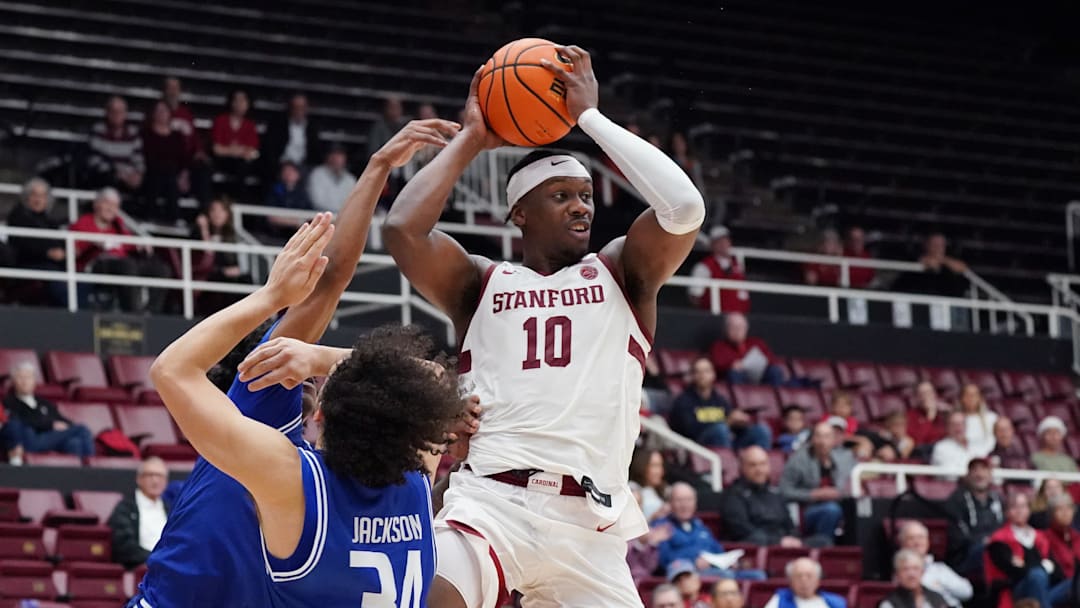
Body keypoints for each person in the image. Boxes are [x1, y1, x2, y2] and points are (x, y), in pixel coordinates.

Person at [384, 46, 706, 607]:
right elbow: (403, 231)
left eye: (585, 196)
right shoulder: (481, 283)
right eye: (561, 197)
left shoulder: (621, 272)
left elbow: (684, 208)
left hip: (590, 527)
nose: (581, 207)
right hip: (490, 503)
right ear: (520, 215)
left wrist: (590, 118)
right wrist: (471, 140)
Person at [132, 119, 458, 608]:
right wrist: (375, 169)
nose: (300, 375)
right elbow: (328, 288)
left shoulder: (301, 467)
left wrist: (376, 170)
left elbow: (326, 286)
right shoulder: (262, 404)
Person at [70, 188, 172, 313]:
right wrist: (94, 243)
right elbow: (74, 251)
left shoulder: (118, 225)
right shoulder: (83, 223)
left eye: (115, 205)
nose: (110, 208)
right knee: (127, 265)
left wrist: (140, 246)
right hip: (96, 264)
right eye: (107, 203)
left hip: (123, 264)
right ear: (96, 204)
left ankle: (151, 311)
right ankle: (134, 311)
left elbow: (129, 245)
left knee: (161, 269)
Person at [656, 483, 765, 580]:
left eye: (689, 500)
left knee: (758, 575)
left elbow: (718, 551)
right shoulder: (662, 526)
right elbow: (662, 559)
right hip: (688, 575)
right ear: (670, 503)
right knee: (726, 577)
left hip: (716, 570)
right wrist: (693, 561)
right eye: (679, 500)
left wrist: (731, 563)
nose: (685, 505)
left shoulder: (701, 526)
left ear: (695, 503)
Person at [985, 491, 1071, 608]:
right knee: (1037, 575)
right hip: (1015, 593)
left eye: (1024, 506)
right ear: (1007, 512)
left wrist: (1026, 565)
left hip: (1046, 590)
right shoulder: (999, 539)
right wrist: (1043, 566)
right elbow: (1014, 572)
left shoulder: (1040, 537)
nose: (1020, 511)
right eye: (1015, 507)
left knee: (1074, 582)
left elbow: (1058, 573)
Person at [669, 357, 771, 449]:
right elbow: (691, 430)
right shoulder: (683, 401)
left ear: (713, 374)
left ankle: (757, 463)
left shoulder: (720, 400)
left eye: (706, 371)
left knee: (761, 431)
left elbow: (731, 422)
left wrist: (740, 422)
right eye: (698, 372)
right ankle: (727, 465)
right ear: (693, 376)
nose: (702, 375)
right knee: (720, 430)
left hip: (726, 441)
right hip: (699, 445)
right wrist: (727, 422)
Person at [780, 422, 853, 546]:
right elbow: (783, 491)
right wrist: (814, 494)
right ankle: (824, 550)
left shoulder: (844, 457)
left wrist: (840, 493)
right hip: (807, 510)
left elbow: (852, 482)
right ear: (812, 439)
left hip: (840, 505)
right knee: (831, 510)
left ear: (834, 440)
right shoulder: (798, 460)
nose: (822, 441)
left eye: (827, 436)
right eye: (818, 436)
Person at [720, 446, 808, 547]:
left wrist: (794, 539)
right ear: (742, 468)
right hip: (756, 547)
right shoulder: (733, 495)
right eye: (753, 465)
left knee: (821, 541)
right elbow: (741, 530)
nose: (759, 470)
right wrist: (777, 541)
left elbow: (789, 525)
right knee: (758, 538)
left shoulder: (775, 494)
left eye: (763, 464)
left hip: (783, 544)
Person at [3, 362, 93, 458]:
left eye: (28, 378)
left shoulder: (44, 402)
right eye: (21, 378)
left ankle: (76, 472)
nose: (25, 382)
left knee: (74, 443)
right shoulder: (9, 402)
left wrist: (67, 426)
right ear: (13, 382)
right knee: (82, 429)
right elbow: (18, 422)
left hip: (52, 438)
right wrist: (50, 425)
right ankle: (94, 469)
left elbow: (60, 418)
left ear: (34, 381)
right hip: (33, 440)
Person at [6, 177, 67, 307]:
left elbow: (59, 243)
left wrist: (63, 253)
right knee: (58, 280)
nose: (38, 199)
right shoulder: (18, 216)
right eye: (34, 195)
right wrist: (47, 253)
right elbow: (22, 244)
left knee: (77, 279)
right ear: (27, 197)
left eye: (43, 195)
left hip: (52, 267)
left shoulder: (50, 221)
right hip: (27, 265)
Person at [944, 457, 1005, 575]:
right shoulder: (957, 500)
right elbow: (959, 536)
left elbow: (1005, 527)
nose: (979, 474)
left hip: (998, 550)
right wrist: (984, 541)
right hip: (965, 556)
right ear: (968, 475)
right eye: (974, 470)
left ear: (990, 474)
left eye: (984, 469)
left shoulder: (998, 499)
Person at [108, 456, 170, 568]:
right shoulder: (125, 508)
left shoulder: (171, 509)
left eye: (160, 476)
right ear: (139, 479)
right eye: (150, 475)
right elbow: (124, 546)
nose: (155, 480)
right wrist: (156, 559)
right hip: (140, 567)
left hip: (168, 566)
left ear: (166, 481)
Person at [896, 521, 972, 607]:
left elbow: (967, 592)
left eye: (921, 537)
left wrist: (941, 581)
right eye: (912, 538)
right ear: (902, 543)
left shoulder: (940, 568)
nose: (917, 542)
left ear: (928, 542)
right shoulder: (901, 570)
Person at [191, 199, 246, 315]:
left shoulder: (230, 236)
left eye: (221, 210)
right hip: (207, 274)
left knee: (246, 279)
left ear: (227, 214)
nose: (217, 214)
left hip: (225, 276)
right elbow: (207, 256)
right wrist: (204, 229)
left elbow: (233, 263)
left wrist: (235, 270)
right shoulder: (199, 234)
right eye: (213, 210)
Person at [141, 100, 188, 223]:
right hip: (151, 173)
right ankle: (150, 215)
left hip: (173, 175)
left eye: (164, 111)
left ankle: (175, 217)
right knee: (160, 175)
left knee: (171, 177)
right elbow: (145, 157)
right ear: (153, 114)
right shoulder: (146, 134)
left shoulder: (177, 136)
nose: (161, 114)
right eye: (158, 111)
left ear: (169, 114)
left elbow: (183, 159)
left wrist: (183, 175)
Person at [709, 312, 785, 386]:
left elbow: (771, 359)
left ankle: (776, 397)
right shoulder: (719, 346)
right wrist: (732, 365)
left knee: (775, 371)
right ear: (726, 329)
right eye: (734, 327)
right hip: (736, 376)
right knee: (734, 374)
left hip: (758, 376)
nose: (738, 331)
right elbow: (717, 364)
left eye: (741, 327)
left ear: (746, 328)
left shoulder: (757, 343)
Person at [87, 95, 144, 193]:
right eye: (113, 111)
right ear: (107, 113)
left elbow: (139, 160)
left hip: (128, 175)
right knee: (109, 178)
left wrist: (138, 174)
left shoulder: (133, 133)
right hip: (106, 175)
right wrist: (116, 172)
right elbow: (94, 161)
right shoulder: (99, 130)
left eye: (120, 111)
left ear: (125, 114)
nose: (117, 115)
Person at [688, 226, 750, 313]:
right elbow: (695, 296)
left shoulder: (737, 264)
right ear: (712, 244)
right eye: (719, 241)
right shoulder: (704, 266)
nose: (724, 244)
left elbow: (743, 293)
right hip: (716, 318)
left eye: (726, 240)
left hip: (740, 316)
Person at [211, 89, 260, 195]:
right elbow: (217, 149)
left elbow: (252, 152)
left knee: (244, 166)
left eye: (243, 101)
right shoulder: (221, 120)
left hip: (240, 165)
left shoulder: (249, 125)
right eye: (236, 100)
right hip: (222, 162)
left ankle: (239, 197)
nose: (239, 104)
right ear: (231, 102)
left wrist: (230, 149)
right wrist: (240, 151)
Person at [262, 92, 320, 175]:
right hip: (282, 164)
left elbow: (315, 151)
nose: (299, 111)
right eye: (296, 107)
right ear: (290, 108)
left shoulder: (311, 127)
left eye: (302, 107)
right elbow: (270, 149)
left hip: (303, 166)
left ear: (306, 108)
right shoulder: (278, 124)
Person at [879, 549, 951, 608]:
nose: (911, 574)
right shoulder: (889, 604)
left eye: (916, 568)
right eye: (905, 569)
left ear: (922, 572)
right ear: (897, 574)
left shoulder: (937, 598)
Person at [763, 557, 846, 608]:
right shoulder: (779, 600)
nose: (804, 581)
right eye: (799, 576)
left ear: (818, 581)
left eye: (809, 576)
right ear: (791, 581)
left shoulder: (836, 602)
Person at [1044, 494, 1080, 604]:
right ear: (1051, 513)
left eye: (1069, 508)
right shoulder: (1044, 538)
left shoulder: (1077, 537)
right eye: (1059, 509)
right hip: (1056, 588)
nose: (1065, 512)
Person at [307, 144, 357, 213]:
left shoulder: (350, 179)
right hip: (321, 217)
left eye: (340, 155)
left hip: (345, 217)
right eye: (334, 155)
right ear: (328, 157)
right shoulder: (317, 174)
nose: (337, 159)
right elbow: (317, 201)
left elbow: (354, 202)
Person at [907, 381, 947, 457]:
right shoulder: (911, 416)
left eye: (929, 392)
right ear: (917, 397)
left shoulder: (943, 414)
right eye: (922, 394)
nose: (927, 397)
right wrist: (930, 417)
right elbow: (918, 442)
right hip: (925, 454)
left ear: (935, 394)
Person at [629, 447, 670, 522]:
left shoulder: (663, 491)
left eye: (661, 466)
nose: (660, 471)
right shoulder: (633, 490)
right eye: (655, 466)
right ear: (642, 466)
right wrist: (654, 517)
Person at [958, 383, 997, 457]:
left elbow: (992, 442)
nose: (971, 398)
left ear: (980, 398)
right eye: (968, 395)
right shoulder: (956, 420)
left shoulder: (991, 418)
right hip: (962, 458)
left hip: (985, 459)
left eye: (974, 395)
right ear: (962, 398)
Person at [366, 96, 405, 160]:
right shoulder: (378, 128)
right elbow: (373, 153)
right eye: (392, 107)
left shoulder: (404, 126)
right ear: (386, 109)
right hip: (384, 162)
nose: (394, 111)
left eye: (397, 107)